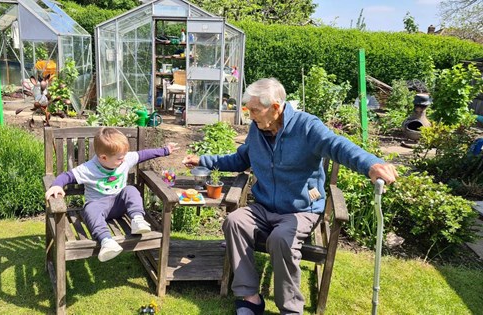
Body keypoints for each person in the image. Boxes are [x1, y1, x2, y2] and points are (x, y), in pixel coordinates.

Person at [182, 78, 397, 315]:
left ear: (275, 107)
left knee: (281, 239)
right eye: (248, 109)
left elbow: (337, 145)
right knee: (234, 222)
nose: (249, 115)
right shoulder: (257, 129)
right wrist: (204, 160)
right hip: (264, 207)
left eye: (254, 110)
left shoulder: (306, 127)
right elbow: (241, 158)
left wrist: (371, 164)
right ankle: (250, 297)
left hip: (301, 209)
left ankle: (291, 309)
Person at [45, 127, 179, 262]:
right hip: (99, 207)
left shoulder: (124, 158)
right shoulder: (88, 168)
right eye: (120, 158)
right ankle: (106, 241)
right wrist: (57, 185)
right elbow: (67, 176)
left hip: (119, 206)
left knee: (130, 190)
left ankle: (137, 220)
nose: (124, 160)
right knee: (89, 208)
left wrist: (165, 150)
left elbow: (143, 154)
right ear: (103, 157)